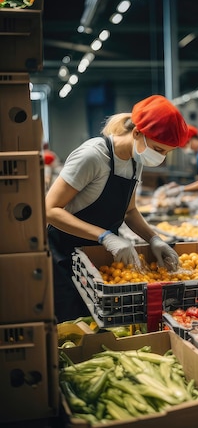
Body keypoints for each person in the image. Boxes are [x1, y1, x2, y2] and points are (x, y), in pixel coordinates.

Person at [45, 95, 189, 323]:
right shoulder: (93, 156)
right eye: (159, 149)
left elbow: (129, 211)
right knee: (74, 323)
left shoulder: (135, 160)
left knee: (105, 321)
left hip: (100, 255)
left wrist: (154, 239)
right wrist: (104, 236)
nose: (161, 158)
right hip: (65, 255)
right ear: (137, 133)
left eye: (166, 153)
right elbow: (50, 209)